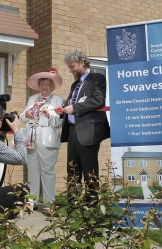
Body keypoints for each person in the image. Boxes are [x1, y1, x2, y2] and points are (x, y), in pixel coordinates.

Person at [55, 49, 110, 202]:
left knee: (89, 171)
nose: (71, 70)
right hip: (72, 131)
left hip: (89, 131)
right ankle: (73, 207)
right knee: (72, 171)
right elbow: (70, 104)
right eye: (69, 67)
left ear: (82, 63)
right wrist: (63, 110)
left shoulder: (97, 78)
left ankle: (91, 208)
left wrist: (75, 108)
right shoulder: (75, 85)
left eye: (72, 66)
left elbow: (98, 100)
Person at [19, 68, 64, 209]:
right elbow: (22, 118)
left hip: (48, 141)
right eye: (42, 84)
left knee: (48, 171)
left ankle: (49, 203)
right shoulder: (32, 99)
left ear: (52, 86)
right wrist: (27, 114)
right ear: (39, 86)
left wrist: (50, 116)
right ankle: (32, 201)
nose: (44, 87)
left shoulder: (58, 100)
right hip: (31, 139)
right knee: (32, 171)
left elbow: (61, 122)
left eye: (47, 84)